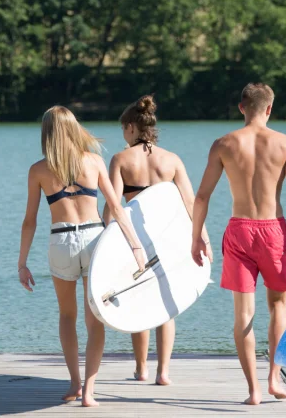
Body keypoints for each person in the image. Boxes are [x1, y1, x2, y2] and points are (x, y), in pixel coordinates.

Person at [191, 83, 286, 406]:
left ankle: (253, 390)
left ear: (241, 108)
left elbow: (202, 196)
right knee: (278, 306)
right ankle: (274, 378)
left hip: (239, 232)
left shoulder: (223, 144)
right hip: (274, 231)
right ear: (269, 109)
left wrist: (195, 237)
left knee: (243, 314)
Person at [18, 106, 145, 408]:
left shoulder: (39, 169)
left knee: (67, 315)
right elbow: (116, 208)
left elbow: (30, 220)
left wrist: (22, 263)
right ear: (74, 129)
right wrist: (136, 247)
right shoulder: (94, 162)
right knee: (94, 320)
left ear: (46, 132)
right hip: (93, 240)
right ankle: (89, 390)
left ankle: (73, 382)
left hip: (60, 241)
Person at [107, 95, 213, 386]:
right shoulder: (172, 159)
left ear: (131, 127)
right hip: (169, 239)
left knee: (137, 299)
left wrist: (104, 245)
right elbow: (192, 203)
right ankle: (163, 371)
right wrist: (203, 237)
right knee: (166, 302)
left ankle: (141, 369)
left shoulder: (120, 159)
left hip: (135, 242)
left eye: (122, 129)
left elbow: (113, 207)